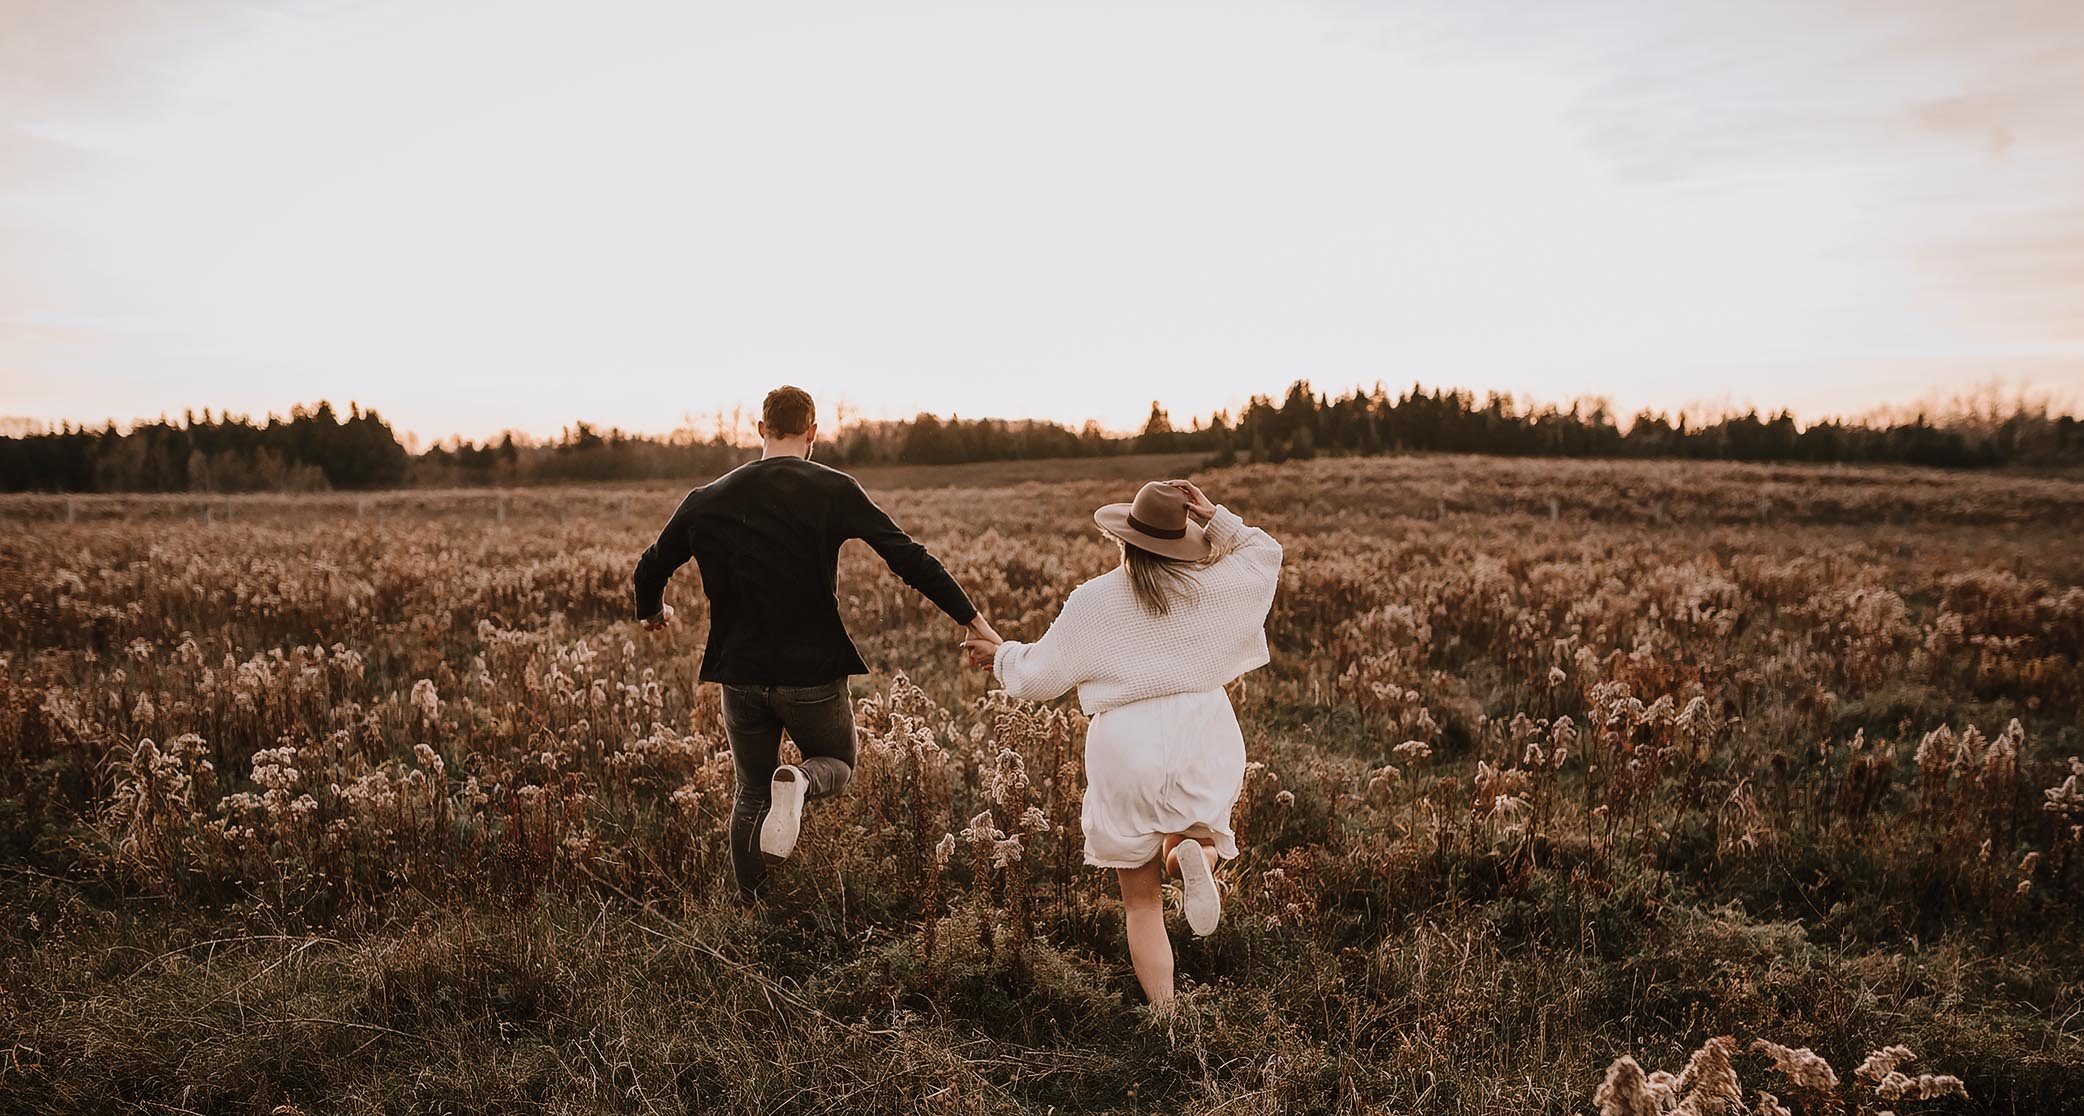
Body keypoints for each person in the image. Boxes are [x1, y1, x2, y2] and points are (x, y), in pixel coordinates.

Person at [633, 385, 999, 903]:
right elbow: (906, 556)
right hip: (812, 674)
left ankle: (752, 909)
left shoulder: (706, 499)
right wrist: (972, 618)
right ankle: (802, 782)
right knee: (838, 764)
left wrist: (652, 612)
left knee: (751, 791)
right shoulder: (834, 489)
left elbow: (649, 566)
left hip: (739, 673)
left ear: (760, 430)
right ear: (812, 433)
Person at [962, 479, 1280, 1012]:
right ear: (1184, 539)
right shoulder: (1214, 585)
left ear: (1123, 541)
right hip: (1201, 728)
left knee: (1140, 903)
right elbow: (1265, 554)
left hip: (1126, 744)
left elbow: (1038, 677)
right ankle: (1188, 856)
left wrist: (1000, 656)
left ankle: (1166, 1016)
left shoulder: (1094, 600)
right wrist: (1216, 517)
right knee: (1195, 832)